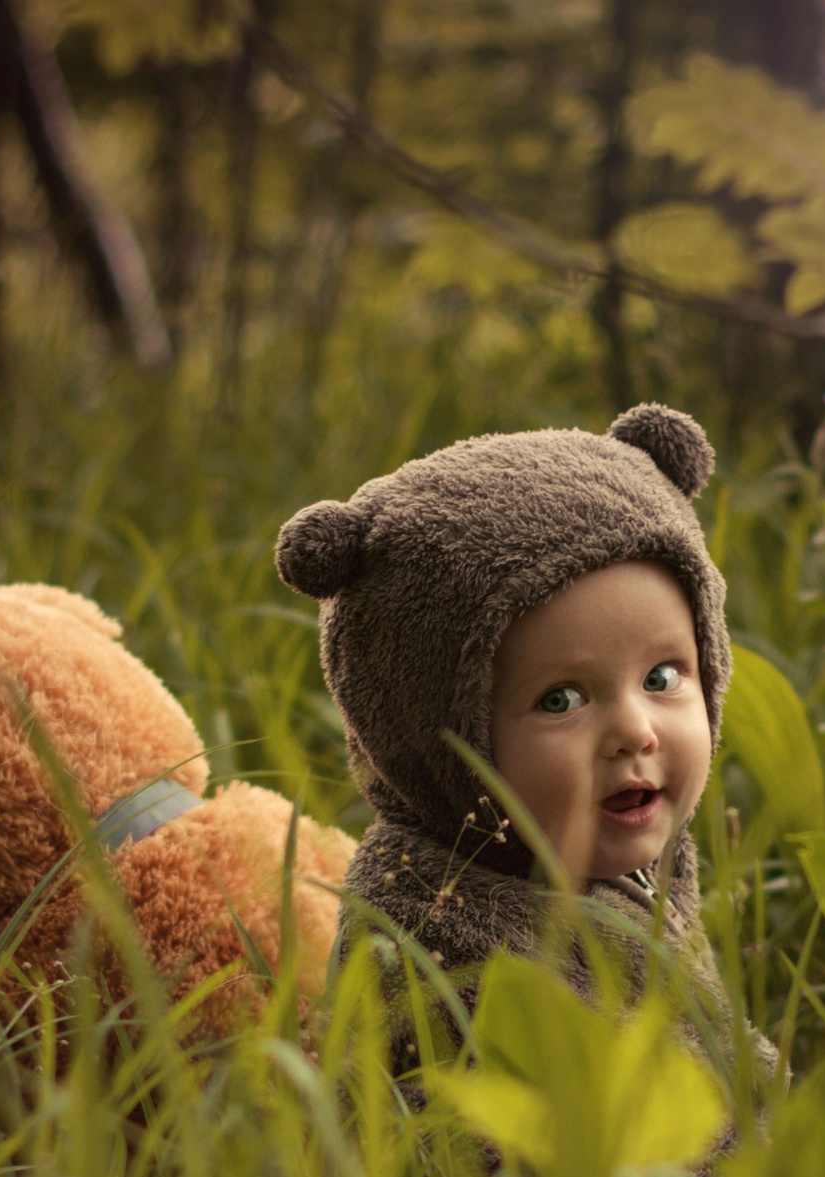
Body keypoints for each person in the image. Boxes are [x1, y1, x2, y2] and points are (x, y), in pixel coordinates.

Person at [274, 402, 764, 1086]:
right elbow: (463, 1160)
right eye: (560, 700)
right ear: (436, 733)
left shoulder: (626, 835)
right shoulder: (432, 935)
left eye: (661, 677)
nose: (635, 731)